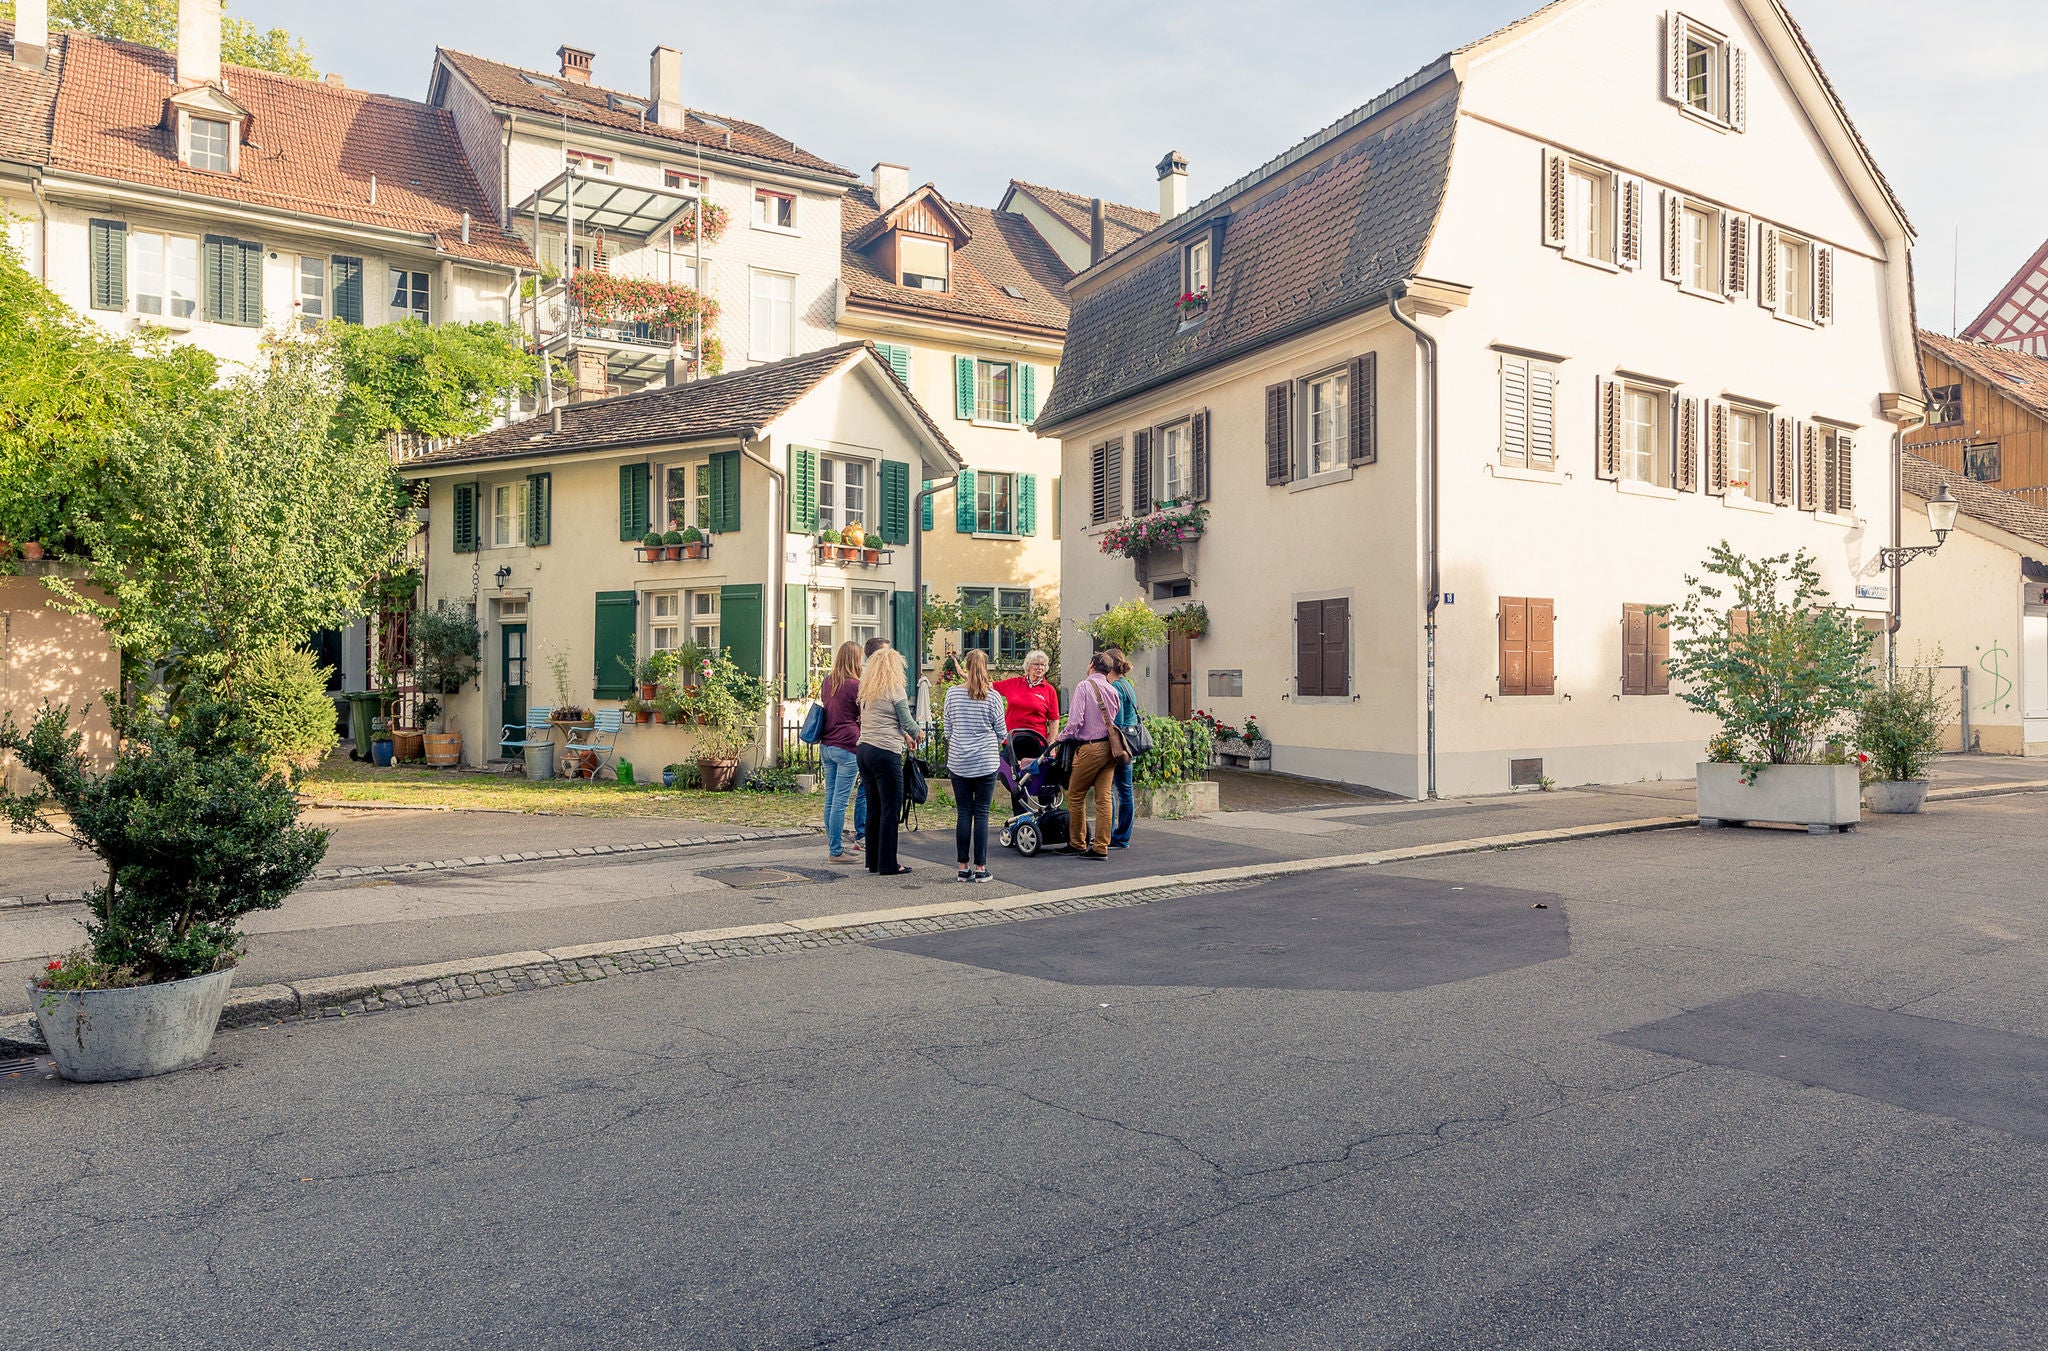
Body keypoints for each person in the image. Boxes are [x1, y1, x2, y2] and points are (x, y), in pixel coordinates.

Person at [944, 649, 1008, 883]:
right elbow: (1002, 732)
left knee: (963, 812)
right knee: (981, 813)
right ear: (986, 667)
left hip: (960, 761)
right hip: (985, 761)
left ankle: (963, 867)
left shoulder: (952, 694)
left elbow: (948, 729)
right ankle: (981, 868)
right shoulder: (993, 697)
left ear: (966, 666)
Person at [856, 645, 920, 877]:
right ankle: (888, 864)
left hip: (864, 750)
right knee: (890, 808)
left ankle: (873, 860)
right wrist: (917, 734)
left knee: (873, 808)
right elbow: (908, 722)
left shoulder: (867, 689)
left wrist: (903, 734)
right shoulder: (895, 689)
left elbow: (879, 720)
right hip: (885, 752)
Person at [1056, 652, 1124, 860]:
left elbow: (1076, 720)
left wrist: (1060, 737)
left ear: (1092, 664)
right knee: (1104, 798)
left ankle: (1077, 842)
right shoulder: (1112, 690)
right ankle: (1101, 846)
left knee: (1076, 795)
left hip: (1090, 747)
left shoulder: (1084, 686)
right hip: (1111, 748)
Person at [817, 641, 864, 864]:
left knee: (830, 799)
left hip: (826, 745)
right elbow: (864, 713)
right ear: (855, 659)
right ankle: (835, 851)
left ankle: (833, 846)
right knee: (841, 802)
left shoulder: (828, 682)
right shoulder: (856, 685)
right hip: (847, 746)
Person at [849, 634, 891, 852]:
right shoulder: (866, 680)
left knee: (869, 792)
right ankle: (864, 834)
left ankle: (867, 835)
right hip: (872, 742)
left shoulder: (873, 679)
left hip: (867, 742)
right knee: (868, 792)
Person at [1107, 649, 1141, 850]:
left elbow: (1115, 721)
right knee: (1126, 790)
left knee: (1109, 790)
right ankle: (1122, 836)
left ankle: (1114, 836)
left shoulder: (1116, 687)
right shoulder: (1127, 685)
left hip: (1119, 744)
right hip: (1130, 742)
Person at [992, 650, 1060, 745]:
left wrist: (1051, 742)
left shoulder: (1049, 690)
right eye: (1036, 664)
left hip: (1036, 741)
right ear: (1028, 666)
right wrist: (968, 677)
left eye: (1043, 665)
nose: (1040, 668)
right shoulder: (1013, 683)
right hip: (1011, 740)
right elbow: (988, 686)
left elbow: (1053, 719)